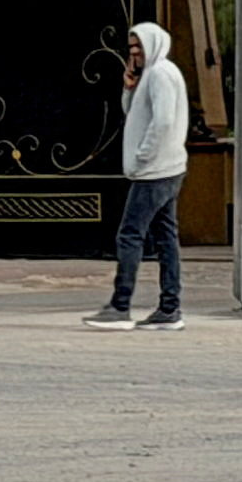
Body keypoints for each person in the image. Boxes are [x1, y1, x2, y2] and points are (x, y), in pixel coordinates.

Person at [83, 19, 189, 331]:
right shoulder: (153, 75)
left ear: (152, 45)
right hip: (165, 169)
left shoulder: (160, 74)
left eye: (138, 46)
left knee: (130, 235)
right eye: (131, 47)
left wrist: (143, 156)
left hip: (154, 172)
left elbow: (163, 122)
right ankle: (170, 309)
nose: (134, 52)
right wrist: (129, 87)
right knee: (166, 238)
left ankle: (120, 307)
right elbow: (134, 112)